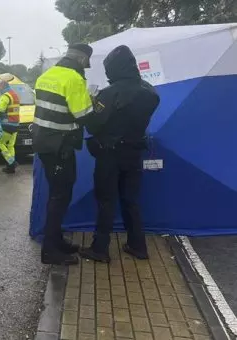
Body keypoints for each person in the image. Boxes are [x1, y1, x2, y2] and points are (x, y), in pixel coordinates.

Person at [79, 45, 161, 263]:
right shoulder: (150, 91)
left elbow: (94, 126)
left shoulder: (109, 93)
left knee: (106, 201)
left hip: (110, 154)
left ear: (114, 69)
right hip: (134, 152)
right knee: (130, 200)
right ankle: (138, 246)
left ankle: (100, 248)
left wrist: (92, 103)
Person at [33, 43, 95, 265]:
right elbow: (84, 116)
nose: (86, 68)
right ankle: (50, 250)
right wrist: (94, 102)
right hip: (60, 145)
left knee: (57, 194)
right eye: (86, 64)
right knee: (60, 196)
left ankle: (56, 240)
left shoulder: (48, 75)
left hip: (45, 143)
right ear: (81, 60)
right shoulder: (74, 79)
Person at [0, 80, 21, 174]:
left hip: (7, 125)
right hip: (16, 124)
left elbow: (1, 110)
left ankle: (11, 162)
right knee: (10, 146)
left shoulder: (5, 96)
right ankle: (11, 168)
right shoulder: (15, 94)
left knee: (0, 142)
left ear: (2, 86)